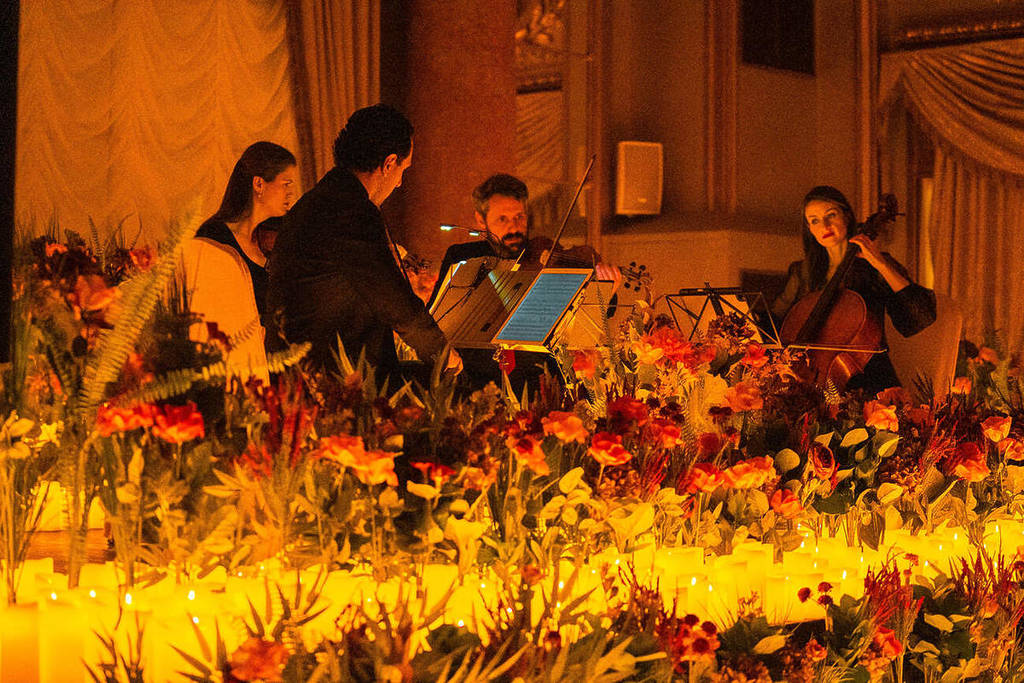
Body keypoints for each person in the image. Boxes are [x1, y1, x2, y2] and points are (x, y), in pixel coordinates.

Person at [266, 104, 461, 382]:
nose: (398, 184)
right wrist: (443, 354)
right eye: (403, 170)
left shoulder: (320, 200)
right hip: (330, 384)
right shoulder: (348, 210)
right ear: (389, 163)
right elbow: (393, 300)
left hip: (302, 374)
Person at [429, 173, 619, 393]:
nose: (514, 227)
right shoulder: (463, 257)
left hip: (538, 380)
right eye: (503, 219)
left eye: (520, 216)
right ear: (481, 220)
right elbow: (439, 317)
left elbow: (584, 326)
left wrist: (606, 291)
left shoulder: (546, 254)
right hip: (476, 381)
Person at [771, 185, 936, 394]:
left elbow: (920, 315)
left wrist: (880, 264)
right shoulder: (802, 272)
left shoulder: (873, 266)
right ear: (809, 229)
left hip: (866, 377)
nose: (824, 225)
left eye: (831, 215)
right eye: (814, 220)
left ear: (847, 217)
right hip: (809, 376)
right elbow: (775, 322)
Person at [182, 141, 298, 377]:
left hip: (279, 363)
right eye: (285, 184)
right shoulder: (213, 238)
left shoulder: (278, 234)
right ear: (259, 184)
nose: (291, 193)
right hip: (237, 366)